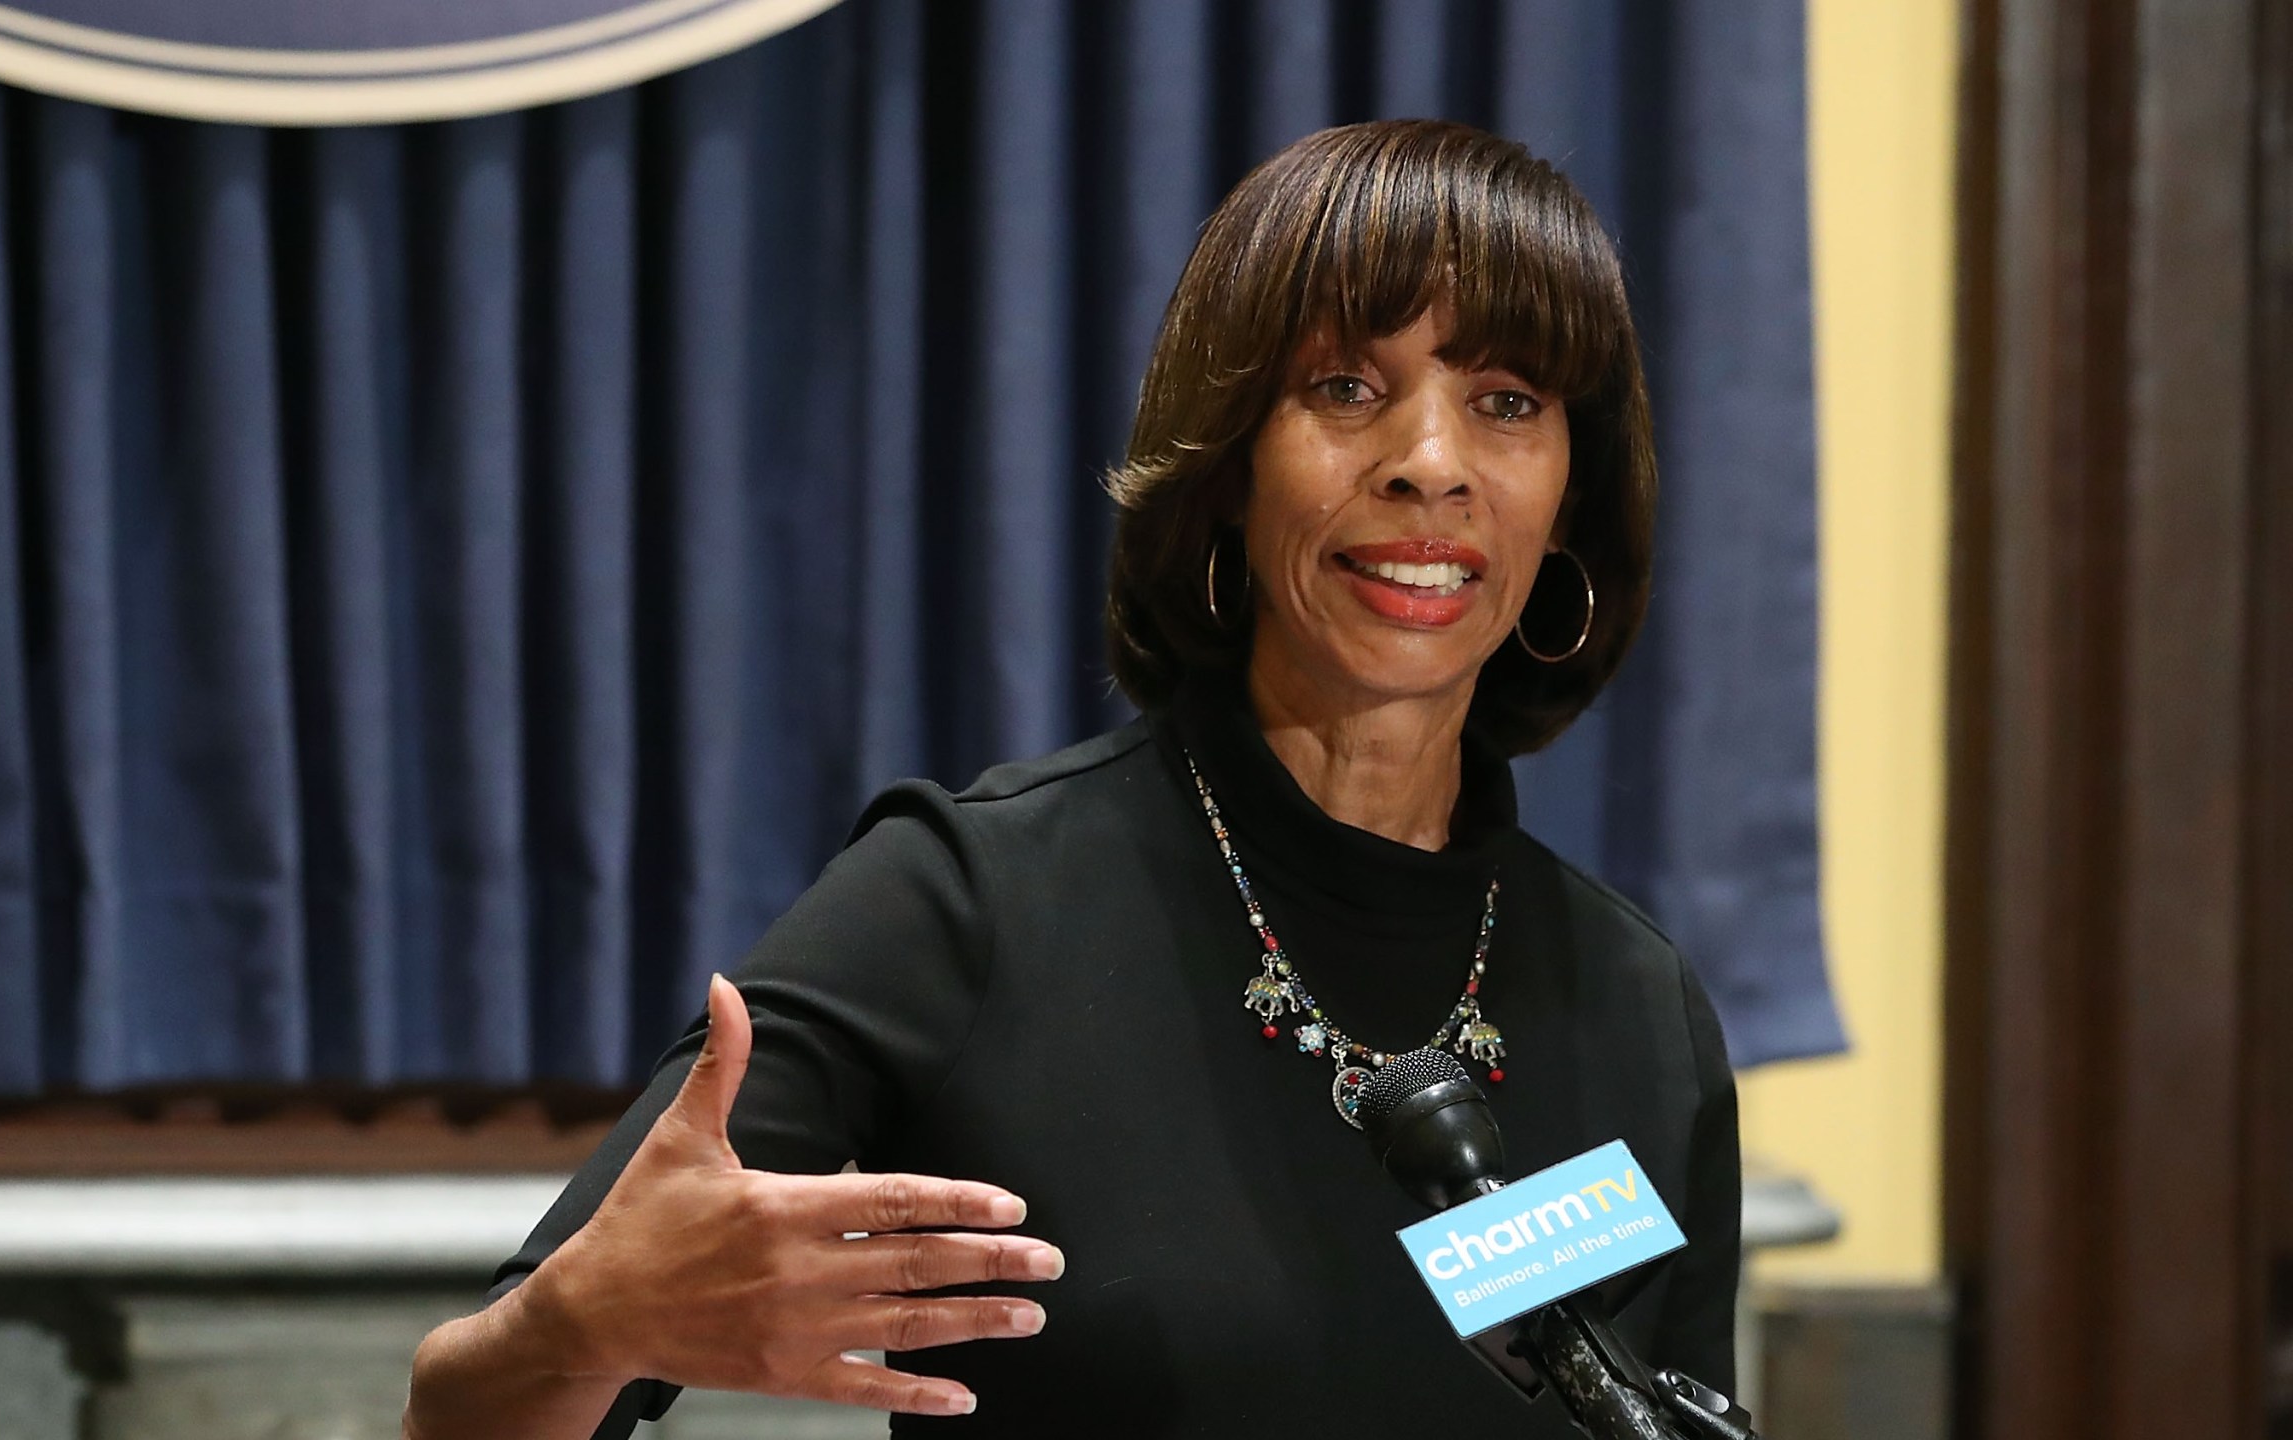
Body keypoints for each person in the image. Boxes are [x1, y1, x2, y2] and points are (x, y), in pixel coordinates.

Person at [403, 118, 1739, 1439]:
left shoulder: (1639, 1013)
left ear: (1571, 495)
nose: (1430, 464)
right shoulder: (968, 901)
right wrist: (574, 1331)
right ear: (1227, 466)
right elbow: (465, 1414)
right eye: (1345, 388)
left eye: (1507, 404)